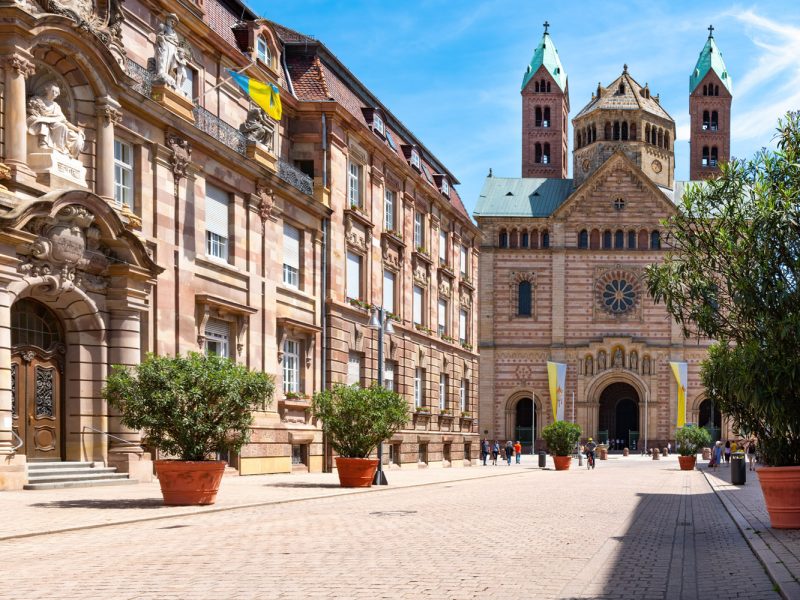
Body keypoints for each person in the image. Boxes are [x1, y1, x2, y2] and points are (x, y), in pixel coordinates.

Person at [26, 82, 85, 159]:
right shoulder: (37, 99)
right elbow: (25, 107)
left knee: (73, 135)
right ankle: (45, 143)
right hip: (40, 120)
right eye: (52, 91)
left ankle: (60, 150)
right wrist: (29, 110)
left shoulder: (56, 106)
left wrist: (78, 129)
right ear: (47, 89)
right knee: (59, 126)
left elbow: (65, 121)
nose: (54, 94)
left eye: (56, 92)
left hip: (54, 123)